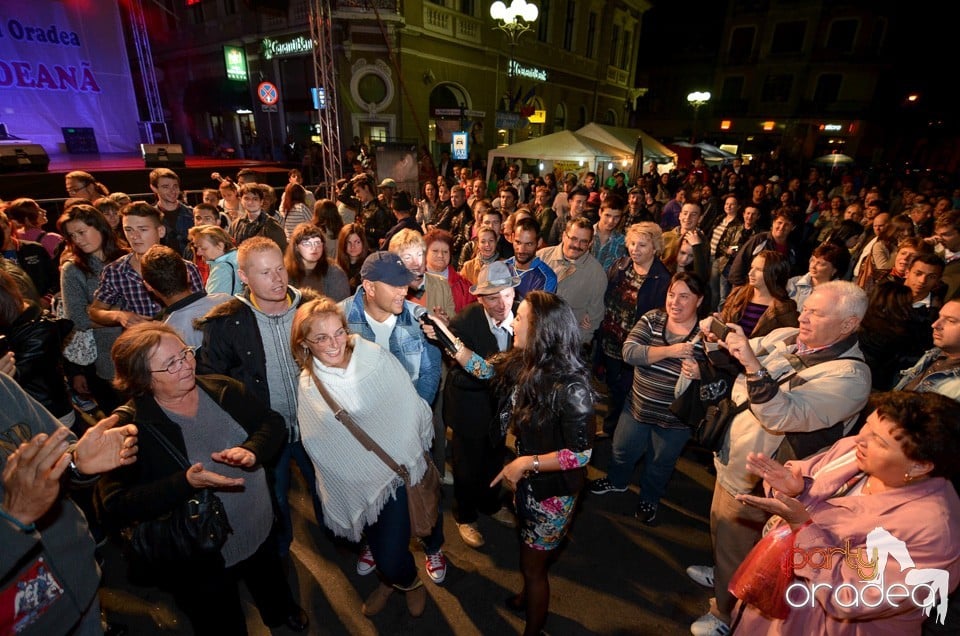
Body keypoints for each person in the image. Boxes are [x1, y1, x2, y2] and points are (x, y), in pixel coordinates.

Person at [97, 323, 308, 634]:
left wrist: (252, 450)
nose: (186, 365)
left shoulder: (221, 390)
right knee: (219, 620)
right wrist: (185, 483)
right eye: (171, 364)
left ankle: (281, 613)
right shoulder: (134, 432)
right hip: (201, 558)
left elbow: (271, 423)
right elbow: (114, 505)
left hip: (259, 524)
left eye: (184, 353)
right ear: (142, 380)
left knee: (270, 580)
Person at [688, 281, 871, 636]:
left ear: (848, 324)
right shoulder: (789, 336)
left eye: (816, 313)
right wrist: (719, 340)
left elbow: (782, 415)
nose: (803, 317)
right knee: (726, 531)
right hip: (737, 459)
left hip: (770, 479)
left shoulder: (849, 377)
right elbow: (736, 359)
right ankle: (724, 570)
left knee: (745, 539)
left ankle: (725, 613)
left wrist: (754, 364)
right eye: (805, 308)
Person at [431, 290, 595, 636]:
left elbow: (581, 454)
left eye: (520, 317)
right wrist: (447, 338)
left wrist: (526, 464)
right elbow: (484, 369)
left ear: (540, 329)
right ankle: (525, 597)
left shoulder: (573, 387)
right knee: (528, 553)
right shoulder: (525, 360)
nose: (513, 319)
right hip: (529, 483)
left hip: (552, 494)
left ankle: (533, 627)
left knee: (534, 568)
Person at [732, 391, 960, 635]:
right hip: (776, 601)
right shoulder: (854, 453)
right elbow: (809, 478)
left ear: (919, 465)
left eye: (880, 442)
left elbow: (851, 596)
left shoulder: (932, 531)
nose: (860, 439)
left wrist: (803, 528)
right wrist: (799, 489)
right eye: (867, 426)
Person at [293, 298, 438, 616]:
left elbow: (407, 405)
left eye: (338, 332)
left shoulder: (372, 357)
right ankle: (391, 582)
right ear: (304, 343)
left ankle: (408, 581)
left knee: (390, 554)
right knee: (380, 543)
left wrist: (405, 449)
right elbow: (318, 446)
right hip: (356, 487)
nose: (334, 344)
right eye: (321, 338)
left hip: (395, 474)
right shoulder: (308, 385)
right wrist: (348, 476)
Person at [197, 237, 323, 559]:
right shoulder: (225, 323)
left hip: (317, 426)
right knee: (277, 499)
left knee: (326, 489)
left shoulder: (310, 307)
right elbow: (214, 384)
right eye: (266, 273)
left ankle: (340, 537)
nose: (278, 279)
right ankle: (281, 556)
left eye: (280, 268)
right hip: (268, 436)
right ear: (244, 276)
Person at [0, 373, 137, 636]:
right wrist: (14, 518)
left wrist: (77, 463)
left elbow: (59, 446)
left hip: (78, 578)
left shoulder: (3, 386)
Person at [589, 272, 706, 525]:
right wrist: (670, 351)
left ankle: (649, 499)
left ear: (699, 300)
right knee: (621, 449)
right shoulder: (653, 319)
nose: (675, 302)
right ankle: (617, 482)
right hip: (638, 407)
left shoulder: (707, 336)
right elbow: (630, 352)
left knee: (660, 463)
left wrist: (701, 372)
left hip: (675, 420)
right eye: (671, 295)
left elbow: (721, 378)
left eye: (684, 297)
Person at [443, 262, 522, 549]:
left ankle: (490, 504)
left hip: (501, 409)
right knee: (466, 466)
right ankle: (465, 516)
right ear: (480, 298)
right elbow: (458, 369)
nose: (502, 304)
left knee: (494, 456)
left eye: (507, 295)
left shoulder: (523, 318)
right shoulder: (464, 323)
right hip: (470, 406)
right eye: (492, 297)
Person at [595, 222, 672, 435]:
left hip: (637, 346)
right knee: (612, 386)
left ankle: (618, 432)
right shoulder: (621, 265)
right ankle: (613, 428)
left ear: (655, 248)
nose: (635, 249)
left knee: (627, 390)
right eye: (632, 243)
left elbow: (661, 319)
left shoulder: (662, 279)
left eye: (642, 245)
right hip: (610, 340)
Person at [57, 204, 128, 412]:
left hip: (141, 352)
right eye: (72, 235)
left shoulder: (128, 257)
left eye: (81, 232)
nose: (78, 239)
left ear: (99, 227)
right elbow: (77, 318)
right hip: (107, 359)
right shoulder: (73, 269)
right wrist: (119, 316)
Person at [718, 250, 799, 339]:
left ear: (774, 274)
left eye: (759, 270)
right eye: (752, 267)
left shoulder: (785, 308)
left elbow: (791, 339)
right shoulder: (737, 294)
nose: (750, 273)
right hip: (726, 350)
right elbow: (723, 323)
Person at [284, 223, 351, 301]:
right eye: (307, 243)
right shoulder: (285, 272)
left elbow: (341, 308)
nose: (314, 248)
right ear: (296, 247)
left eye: (317, 243)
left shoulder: (335, 274)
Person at [786, 241, 850, 312]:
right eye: (813, 260)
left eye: (821, 264)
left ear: (834, 270)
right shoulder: (794, 282)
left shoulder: (839, 293)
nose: (813, 266)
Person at [424, 228, 475, 313]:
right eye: (435, 251)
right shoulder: (414, 282)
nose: (440, 255)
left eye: (445, 252)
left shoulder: (464, 286)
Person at [188, 225, 243, 295]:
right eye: (197, 248)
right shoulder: (237, 259)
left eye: (203, 248)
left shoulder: (222, 269)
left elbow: (213, 303)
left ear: (220, 246)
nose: (198, 253)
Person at [231, 184, 288, 251]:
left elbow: (283, 251)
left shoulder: (272, 226)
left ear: (261, 201)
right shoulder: (236, 224)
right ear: (241, 200)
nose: (250, 202)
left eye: (255, 199)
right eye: (246, 198)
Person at [337, 223, 371, 294]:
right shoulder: (337, 267)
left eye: (357, 242)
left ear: (363, 242)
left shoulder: (371, 264)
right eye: (348, 243)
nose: (353, 247)